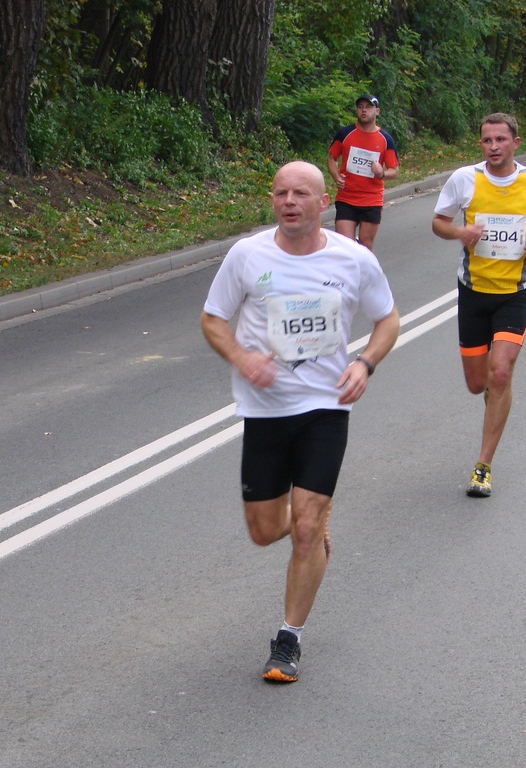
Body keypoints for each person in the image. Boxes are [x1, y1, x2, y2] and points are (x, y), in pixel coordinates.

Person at [201, 160, 400, 683]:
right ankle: (308, 516)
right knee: (264, 531)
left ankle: (288, 639)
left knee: (307, 529)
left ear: (323, 202)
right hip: (265, 409)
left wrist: (365, 363)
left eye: (300, 193)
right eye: (280, 193)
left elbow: (387, 319)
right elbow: (213, 319)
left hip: (325, 407)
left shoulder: (353, 259)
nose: (289, 202)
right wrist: (242, 359)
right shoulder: (247, 255)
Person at [431, 113, 526, 498]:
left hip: (514, 293)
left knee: (501, 372)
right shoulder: (464, 179)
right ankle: (495, 392)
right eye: (487, 140)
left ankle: (483, 466)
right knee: (478, 384)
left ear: (515, 143)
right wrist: (460, 231)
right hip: (473, 292)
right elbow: (439, 222)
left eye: (500, 140)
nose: (493, 147)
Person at [327, 94, 400, 252]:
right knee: (345, 245)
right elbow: (331, 158)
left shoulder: (385, 139)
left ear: (377, 111)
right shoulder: (345, 133)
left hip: (372, 200)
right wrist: (336, 176)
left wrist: (382, 174)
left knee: (365, 246)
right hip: (347, 198)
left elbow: (394, 171)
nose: (363, 110)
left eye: (368, 107)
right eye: (360, 107)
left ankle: (364, 268)